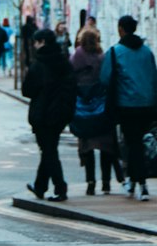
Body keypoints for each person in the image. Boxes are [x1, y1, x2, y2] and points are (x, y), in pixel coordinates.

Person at [100, 15, 157, 199]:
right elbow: (155, 79)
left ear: (121, 29)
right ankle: (134, 182)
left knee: (132, 143)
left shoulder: (115, 52)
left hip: (126, 105)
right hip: (147, 105)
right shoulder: (147, 52)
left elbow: (104, 78)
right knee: (137, 143)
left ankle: (141, 183)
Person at [22, 27, 76, 202]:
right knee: (48, 149)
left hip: (43, 114)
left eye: (36, 42)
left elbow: (27, 90)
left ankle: (60, 188)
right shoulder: (64, 62)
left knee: (48, 151)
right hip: (61, 113)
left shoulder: (39, 64)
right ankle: (40, 186)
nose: (35, 46)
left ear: (42, 42)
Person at [70, 28, 121, 195]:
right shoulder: (103, 56)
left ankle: (90, 181)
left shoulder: (77, 55)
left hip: (83, 106)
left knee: (87, 147)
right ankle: (106, 181)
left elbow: (71, 77)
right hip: (101, 105)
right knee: (106, 146)